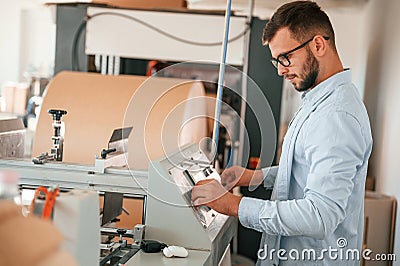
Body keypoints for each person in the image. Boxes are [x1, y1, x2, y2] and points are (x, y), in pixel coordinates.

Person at [192, 1, 373, 265]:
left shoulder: (336, 118)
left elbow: (319, 215)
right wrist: (257, 176)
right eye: (275, 61)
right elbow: (307, 168)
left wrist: (232, 205)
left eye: (285, 58)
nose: (280, 70)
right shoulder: (317, 101)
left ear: (318, 45)